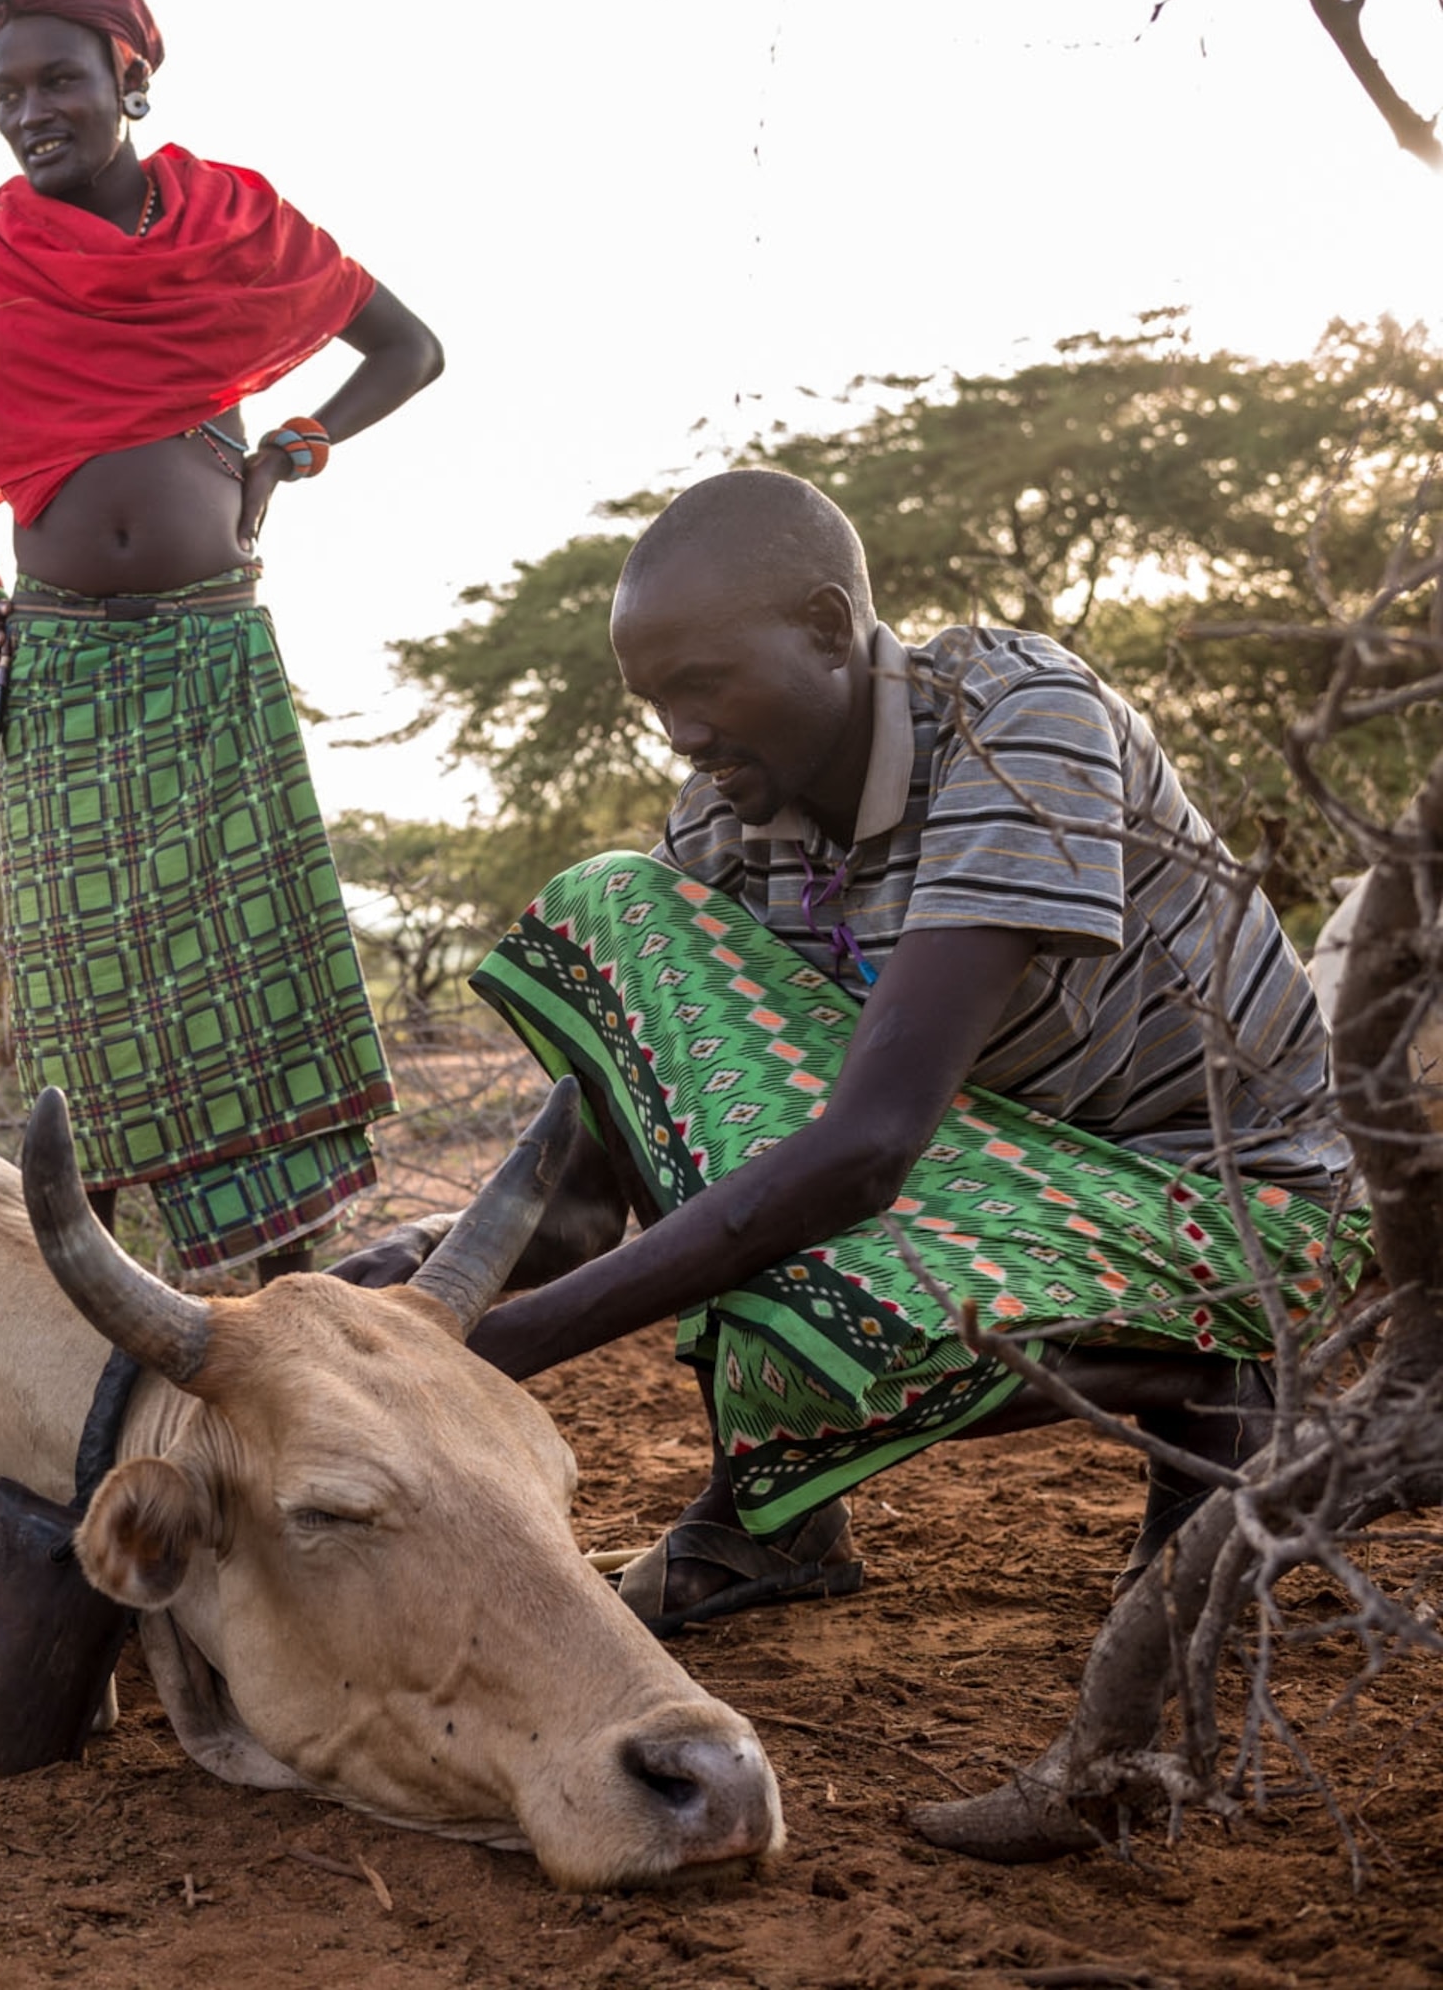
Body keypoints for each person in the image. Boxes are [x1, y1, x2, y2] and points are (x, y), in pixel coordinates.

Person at [341, 469, 1372, 1636]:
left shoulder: (1017, 719)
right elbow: (601, 1187)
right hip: (995, 1172)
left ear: (830, 629)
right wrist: (426, 1277)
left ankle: (1221, 1394)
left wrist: (504, 1349)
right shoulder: (724, 818)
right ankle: (773, 1519)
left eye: (701, 684)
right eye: (654, 701)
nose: (681, 733)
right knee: (623, 915)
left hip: (1225, 1201)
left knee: (822, 1275)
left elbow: (869, 1149)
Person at [0, 0, 444, 1281]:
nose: (28, 114)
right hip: (62, 672)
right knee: (85, 1002)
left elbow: (409, 349)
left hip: (210, 653)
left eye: (56, 80)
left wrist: (288, 450)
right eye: (5, 93)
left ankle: (296, 1314)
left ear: (128, 77)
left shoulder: (230, 224)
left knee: (251, 983)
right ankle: (102, 1336)